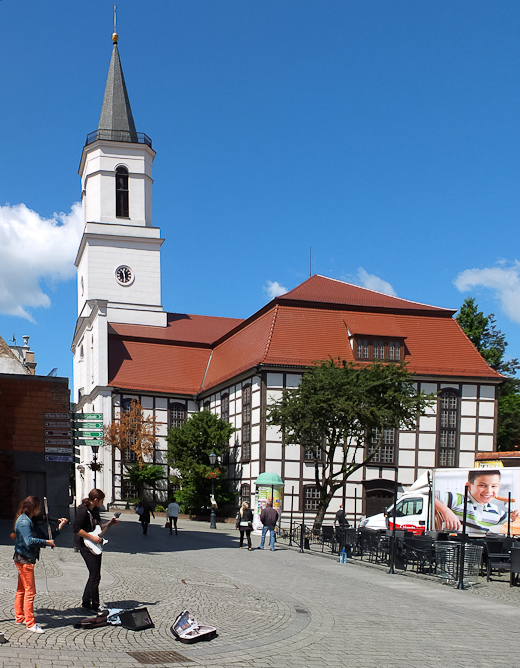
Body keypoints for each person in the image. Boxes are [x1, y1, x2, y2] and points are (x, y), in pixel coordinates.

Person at [11, 496, 68, 633]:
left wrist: (59, 527)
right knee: (30, 592)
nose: (40, 510)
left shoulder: (31, 520)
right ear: (32, 507)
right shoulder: (25, 521)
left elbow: (45, 537)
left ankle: (19, 617)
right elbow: (29, 541)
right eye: (38, 507)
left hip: (25, 558)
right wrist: (47, 543)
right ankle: (30, 623)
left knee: (22, 590)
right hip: (24, 559)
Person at [73, 488, 118, 612]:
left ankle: (86, 601)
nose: (102, 503)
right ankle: (95, 604)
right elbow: (76, 529)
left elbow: (98, 527)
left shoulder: (95, 510)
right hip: (85, 544)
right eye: (102, 500)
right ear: (96, 499)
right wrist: (92, 537)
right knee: (95, 576)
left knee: (94, 575)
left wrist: (110, 523)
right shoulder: (82, 510)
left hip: (94, 544)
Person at [435, 470, 519, 534]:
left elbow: (508, 529)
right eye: (482, 485)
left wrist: (514, 519)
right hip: (453, 551)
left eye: (494, 486)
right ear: (469, 486)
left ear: (499, 488)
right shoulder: (457, 500)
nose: (488, 491)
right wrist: (445, 511)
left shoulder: (499, 513)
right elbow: (428, 494)